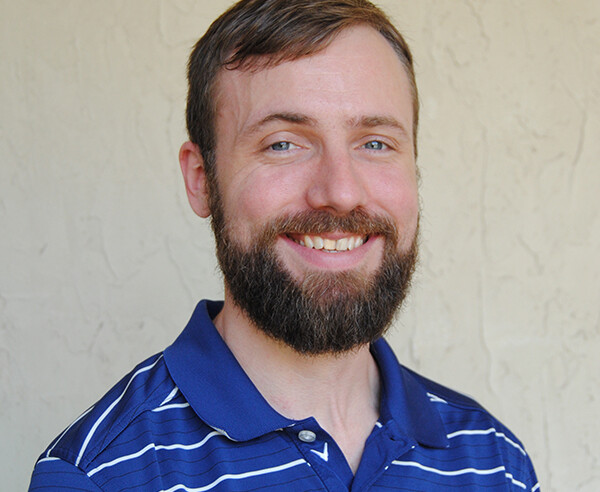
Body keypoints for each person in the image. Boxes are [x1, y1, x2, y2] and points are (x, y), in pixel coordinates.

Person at [29, 0, 539, 490]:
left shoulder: (495, 463)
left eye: (375, 143)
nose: (340, 192)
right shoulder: (99, 476)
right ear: (202, 179)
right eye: (283, 143)